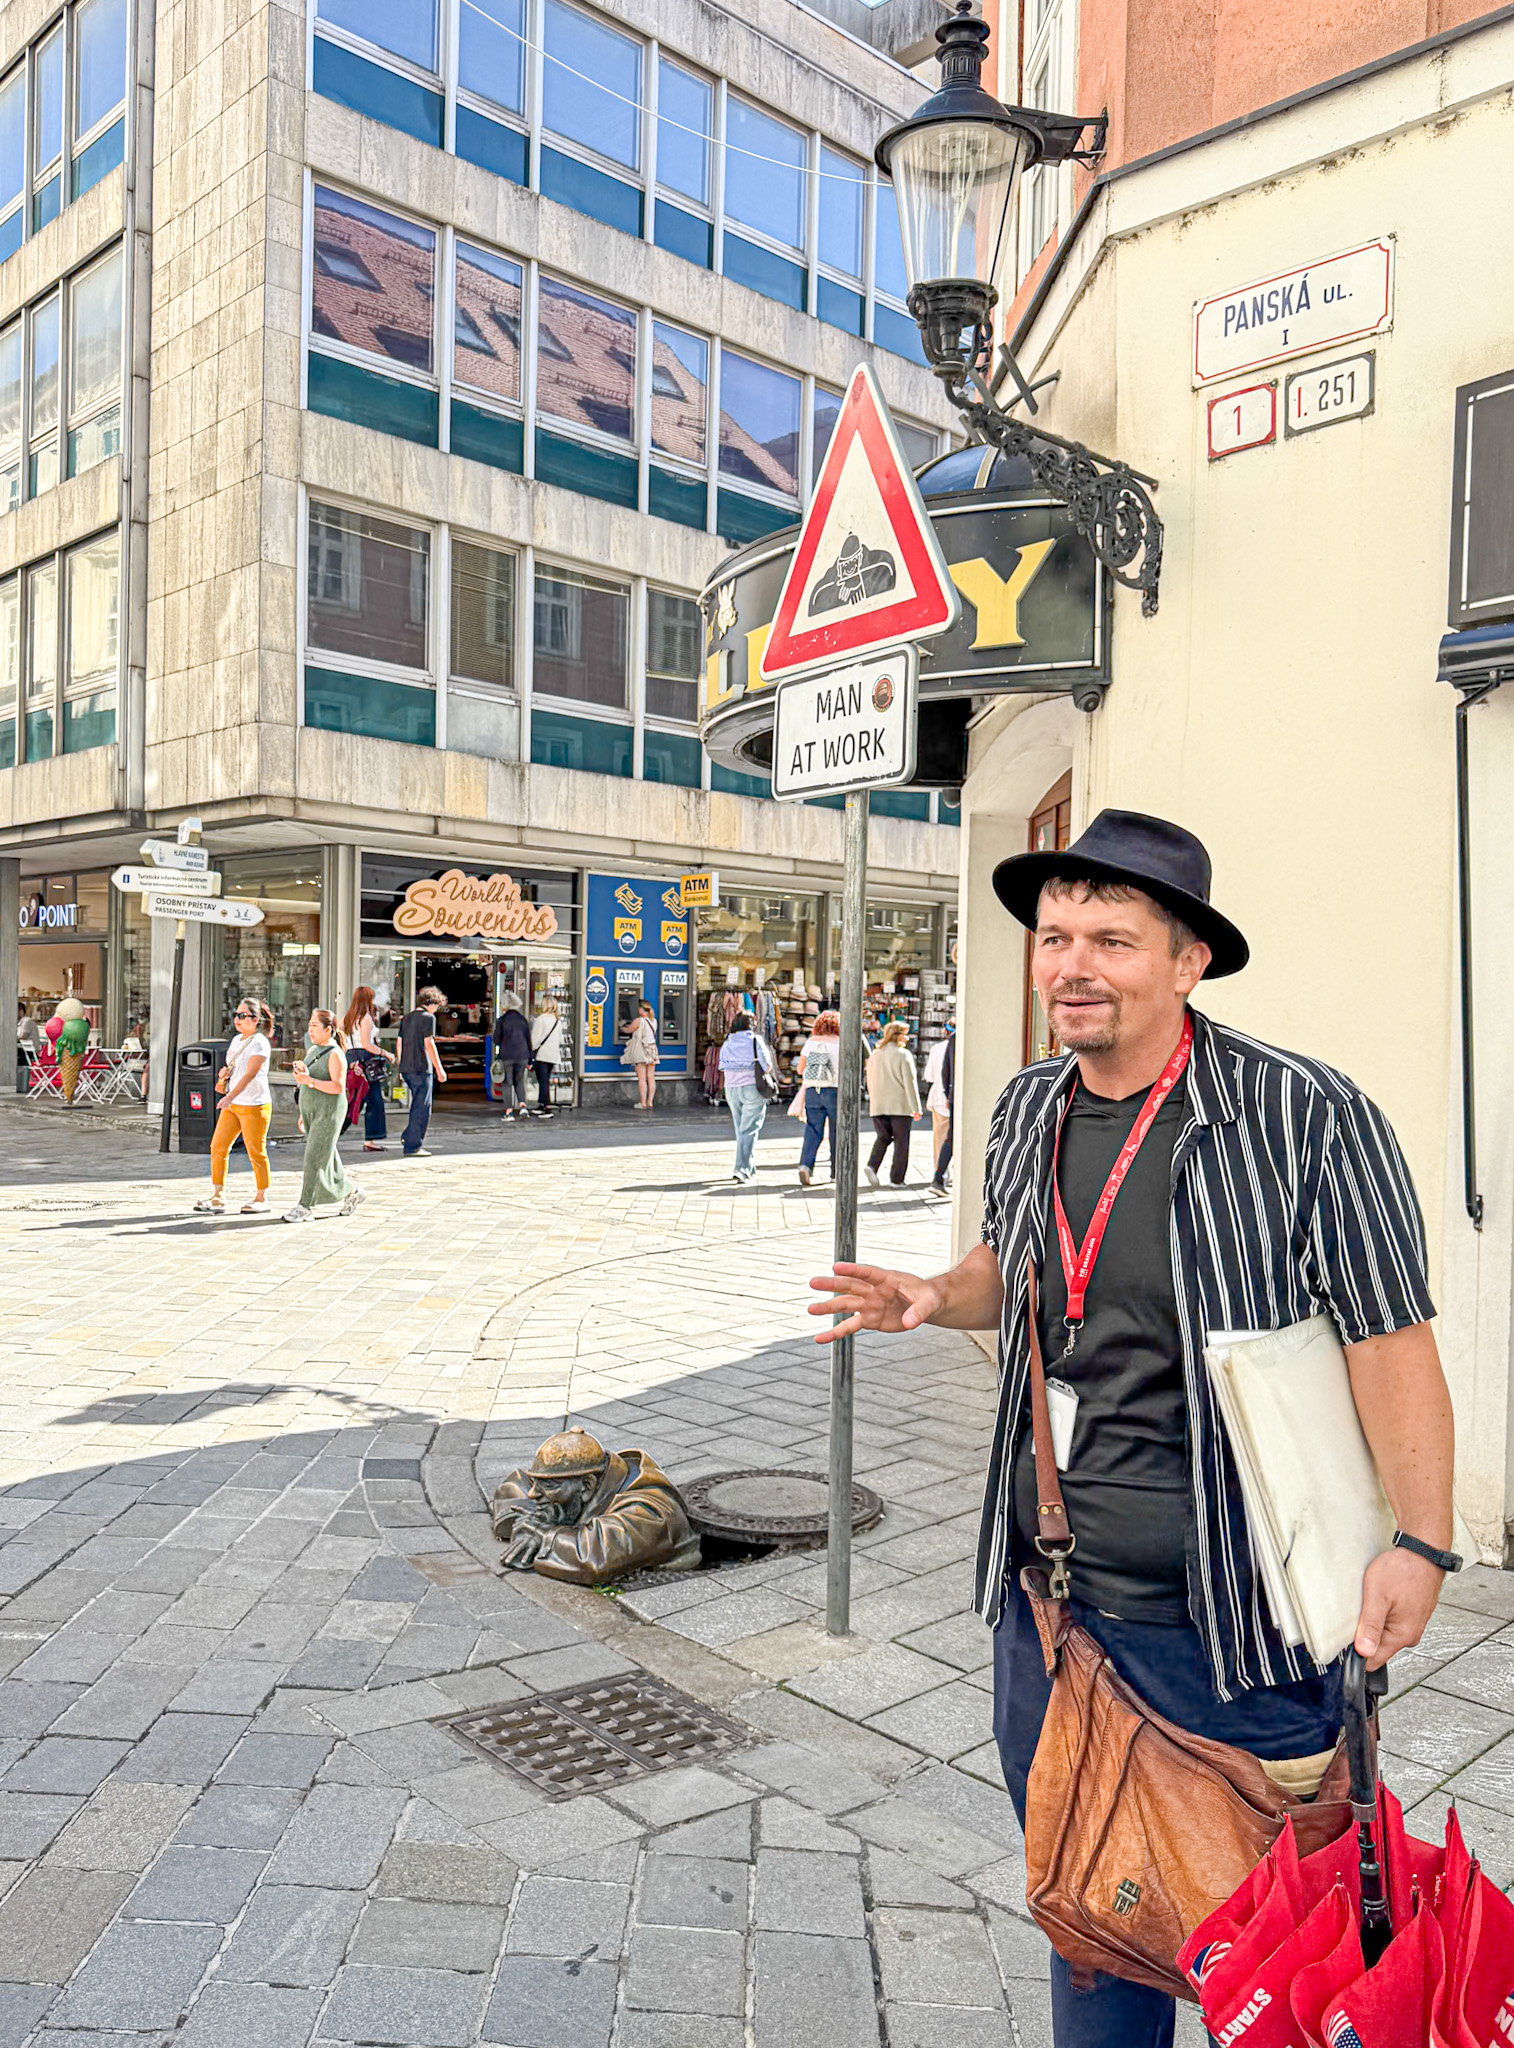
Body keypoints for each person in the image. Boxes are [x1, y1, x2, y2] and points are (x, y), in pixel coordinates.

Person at [809, 809, 1455, 2048]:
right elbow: (1022, 1265)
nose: (1069, 964)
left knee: (1281, 1965)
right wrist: (933, 1296)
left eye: (1109, 937)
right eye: (1053, 935)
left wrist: (1418, 1543)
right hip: (1048, 1617)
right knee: (1094, 1925)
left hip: (1236, 1634)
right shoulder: (1025, 1106)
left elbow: (1389, 1337)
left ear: (1185, 959)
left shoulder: (1302, 1113)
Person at [489, 1427, 701, 1583]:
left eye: (549, 1485)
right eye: (537, 1483)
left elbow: (596, 1557)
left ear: (587, 1485)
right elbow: (514, 1486)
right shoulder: (586, 1482)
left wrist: (540, 1533)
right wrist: (536, 1520)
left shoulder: (649, 1511)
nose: (534, 1493)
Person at [196, 997, 275, 1215]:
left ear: (255, 1019)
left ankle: (262, 1197)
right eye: (236, 1014)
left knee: (256, 1152)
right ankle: (218, 1195)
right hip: (234, 1104)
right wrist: (225, 1074)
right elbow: (235, 1069)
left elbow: (251, 1074)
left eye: (242, 1015)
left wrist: (229, 1097)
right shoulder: (236, 1041)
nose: (237, 1019)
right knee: (218, 1147)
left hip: (254, 1104)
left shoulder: (260, 1043)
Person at [287, 1009, 365, 1223]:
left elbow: (338, 1086)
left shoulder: (335, 1053)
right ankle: (352, 1193)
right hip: (312, 1110)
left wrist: (308, 1081)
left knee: (314, 1157)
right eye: (309, 1025)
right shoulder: (313, 1050)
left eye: (315, 1026)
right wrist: (303, 1111)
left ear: (328, 1029)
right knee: (326, 1154)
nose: (310, 1029)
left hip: (329, 1112)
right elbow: (309, 1080)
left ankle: (305, 1206)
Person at [864, 1020, 921, 1187]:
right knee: (901, 1143)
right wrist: (916, 1107)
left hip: (879, 1104)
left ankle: (872, 1165)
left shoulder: (875, 1054)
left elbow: (869, 1079)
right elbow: (909, 1082)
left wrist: (873, 1098)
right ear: (897, 1035)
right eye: (905, 1034)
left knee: (883, 1137)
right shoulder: (903, 1055)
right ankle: (896, 1179)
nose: (908, 1038)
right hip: (900, 1105)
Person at [719, 1002, 769, 1183]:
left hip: (731, 1088)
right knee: (749, 1129)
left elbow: (721, 1065)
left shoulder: (728, 1041)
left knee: (741, 1128)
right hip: (752, 1088)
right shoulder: (756, 1040)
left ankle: (749, 1166)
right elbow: (767, 1065)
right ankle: (742, 1169)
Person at [341, 986, 393, 1151]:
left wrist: (347, 1052)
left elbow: (340, 1033)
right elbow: (367, 1044)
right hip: (365, 1060)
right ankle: (371, 1139)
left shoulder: (348, 1017)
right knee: (374, 1100)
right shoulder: (366, 1018)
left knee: (354, 1100)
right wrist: (386, 1053)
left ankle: (334, 1132)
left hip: (351, 1058)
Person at [398, 987, 447, 1157]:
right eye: (437, 1005)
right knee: (422, 1107)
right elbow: (429, 1044)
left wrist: (400, 1064)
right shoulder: (428, 1018)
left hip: (406, 1066)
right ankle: (413, 1144)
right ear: (431, 1003)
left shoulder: (407, 1018)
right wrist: (439, 1068)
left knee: (416, 1104)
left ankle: (408, 1135)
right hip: (421, 1066)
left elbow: (400, 1042)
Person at [794, 1009, 840, 1186]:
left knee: (813, 1129)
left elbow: (800, 1069)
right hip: (835, 1090)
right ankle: (836, 1172)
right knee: (837, 1131)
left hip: (814, 1089)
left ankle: (805, 1165)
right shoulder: (841, 1043)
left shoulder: (811, 1042)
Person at [493, 996, 533, 1121]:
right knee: (519, 1081)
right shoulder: (523, 1020)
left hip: (507, 1056)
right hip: (523, 1056)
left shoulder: (502, 1020)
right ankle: (523, 1107)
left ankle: (509, 1111)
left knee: (507, 1083)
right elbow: (528, 1040)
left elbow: (496, 1040)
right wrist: (530, 1058)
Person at [924, 1018, 954, 1179]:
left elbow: (929, 1075)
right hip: (956, 1098)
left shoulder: (937, 1048)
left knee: (941, 1138)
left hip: (939, 1098)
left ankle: (941, 1171)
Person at [931, 1026, 956, 1197]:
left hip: (955, 1095)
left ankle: (939, 1177)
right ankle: (938, 1178)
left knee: (951, 1138)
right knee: (952, 1138)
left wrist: (948, 1094)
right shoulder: (960, 1037)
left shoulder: (955, 1038)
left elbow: (945, 1071)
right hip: (961, 1095)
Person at [621, 1000, 659, 1109]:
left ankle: (642, 1103)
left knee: (642, 1079)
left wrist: (620, 1026)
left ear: (641, 1009)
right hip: (652, 1050)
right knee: (651, 1078)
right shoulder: (654, 1021)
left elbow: (628, 1030)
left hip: (642, 1050)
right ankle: (650, 1102)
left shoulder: (639, 1021)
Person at [530, 998, 564, 1117]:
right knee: (545, 1080)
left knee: (542, 1081)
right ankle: (542, 1104)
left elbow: (535, 1039)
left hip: (542, 1055)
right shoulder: (557, 1021)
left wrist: (531, 1050)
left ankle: (546, 1107)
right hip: (553, 1055)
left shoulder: (541, 1019)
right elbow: (560, 1039)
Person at [120, 1019, 148, 1101]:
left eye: (140, 1028)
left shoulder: (145, 1039)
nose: (138, 1030)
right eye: (137, 1028)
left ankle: (143, 1094)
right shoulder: (133, 1039)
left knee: (147, 1068)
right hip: (137, 1061)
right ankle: (143, 1094)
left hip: (145, 1060)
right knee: (146, 1068)